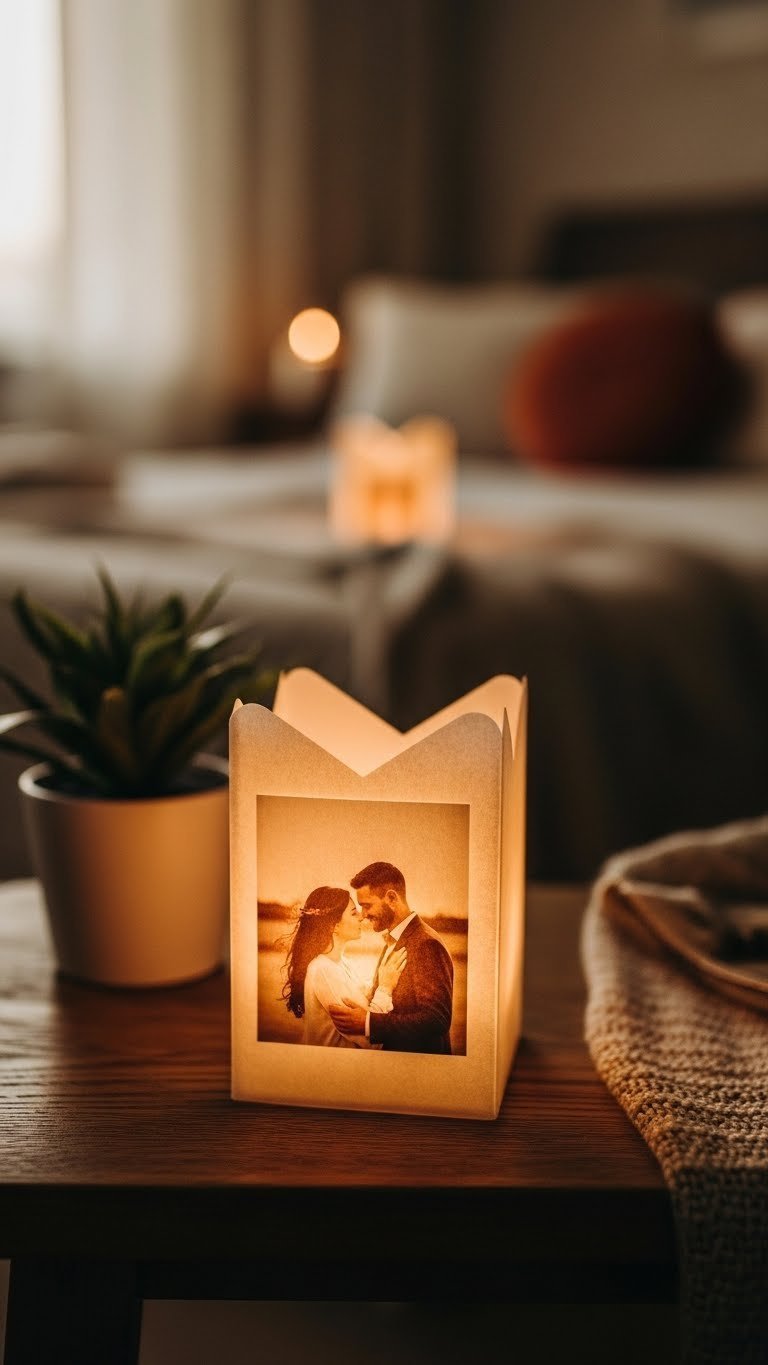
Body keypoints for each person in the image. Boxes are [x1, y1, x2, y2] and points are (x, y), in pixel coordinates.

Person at [329, 861, 454, 1054]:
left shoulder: (426, 944)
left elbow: (437, 1019)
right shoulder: (393, 940)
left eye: (367, 906)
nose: (363, 915)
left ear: (391, 898)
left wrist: (368, 1022)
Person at [282, 885, 407, 1047]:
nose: (362, 917)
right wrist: (385, 988)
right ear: (334, 926)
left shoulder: (343, 963)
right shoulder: (322, 969)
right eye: (354, 913)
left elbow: (365, 1000)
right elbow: (369, 1040)